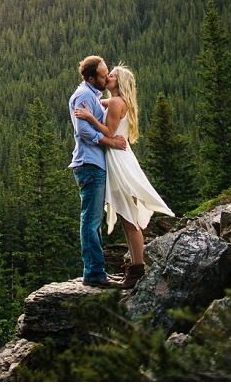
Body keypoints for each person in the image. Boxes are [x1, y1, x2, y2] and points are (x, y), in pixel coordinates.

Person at [76, 64, 174, 289]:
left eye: (112, 75)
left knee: (129, 219)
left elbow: (109, 132)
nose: (108, 77)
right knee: (127, 217)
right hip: (122, 158)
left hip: (118, 161)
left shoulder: (118, 102)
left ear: (119, 83)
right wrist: (89, 96)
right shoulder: (118, 101)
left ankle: (137, 270)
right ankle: (134, 269)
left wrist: (90, 117)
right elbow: (101, 101)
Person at [69, 55, 128, 288]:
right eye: (103, 76)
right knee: (91, 220)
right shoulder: (84, 96)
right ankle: (94, 273)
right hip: (90, 164)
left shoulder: (93, 95)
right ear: (91, 78)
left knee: (94, 219)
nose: (107, 78)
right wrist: (109, 142)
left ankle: (96, 270)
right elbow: (83, 130)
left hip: (94, 165)